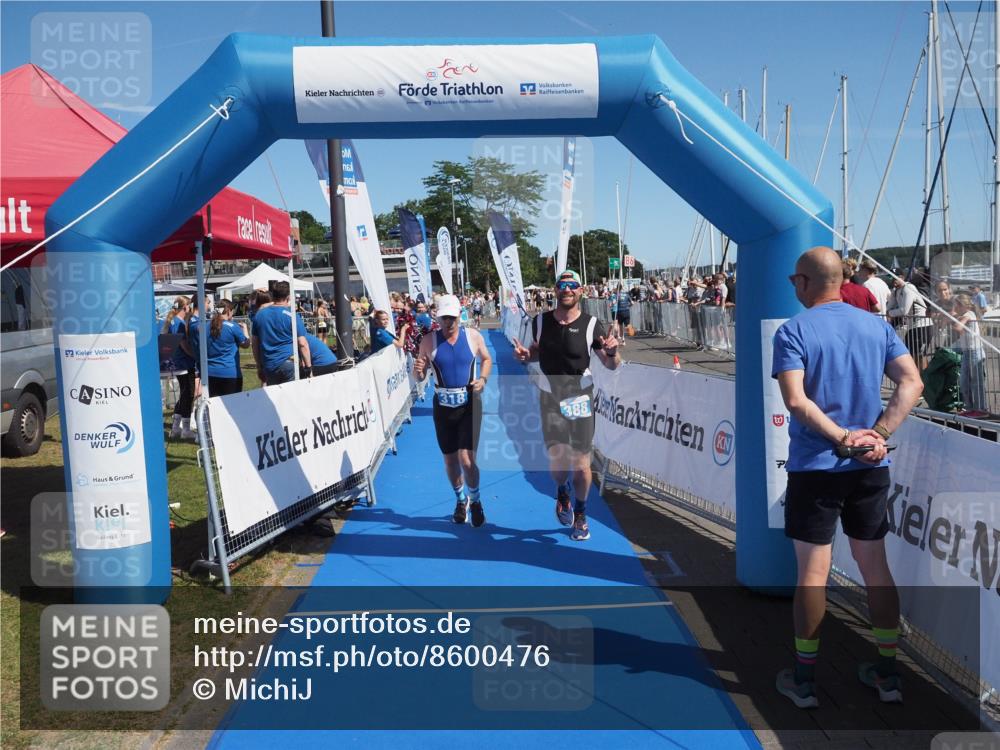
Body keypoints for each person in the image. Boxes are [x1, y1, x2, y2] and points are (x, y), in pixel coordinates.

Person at [773, 247, 923, 709]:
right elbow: (912, 383)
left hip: (819, 467)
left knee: (813, 575)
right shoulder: (876, 325)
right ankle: (888, 673)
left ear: (804, 282)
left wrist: (843, 438)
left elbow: (796, 402)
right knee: (875, 568)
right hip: (869, 466)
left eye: (794, 281)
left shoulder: (793, 330)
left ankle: (804, 680)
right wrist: (875, 434)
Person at [512, 270, 621, 541]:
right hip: (550, 396)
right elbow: (536, 349)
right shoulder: (540, 322)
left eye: (573, 286)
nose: (568, 290)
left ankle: (582, 514)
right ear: (556, 290)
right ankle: (562, 493)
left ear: (580, 291)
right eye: (563, 285)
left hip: (579, 397)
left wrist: (612, 352)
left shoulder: (591, 324)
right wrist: (527, 355)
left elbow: (611, 364)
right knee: (559, 465)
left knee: (581, 463)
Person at [412, 294, 493, 527]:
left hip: (469, 403)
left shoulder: (473, 336)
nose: (447, 323)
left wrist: (483, 379)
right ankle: (461, 500)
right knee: (450, 460)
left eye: (451, 318)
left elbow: (486, 359)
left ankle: (476, 500)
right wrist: (418, 370)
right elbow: (418, 375)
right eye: (443, 318)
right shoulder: (428, 341)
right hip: (443, 406)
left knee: (467, 460)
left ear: (459, 315)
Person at [251, 281, 311, 386]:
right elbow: (302, 343)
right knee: (291, 398)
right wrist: (308, 367)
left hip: (269, 365)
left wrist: (259, 366)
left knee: (274, 399)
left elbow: (255, 344)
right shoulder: (292, 315)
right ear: (288, 297)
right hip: (289, 363)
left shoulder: (259, 315)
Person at [194, 299, 250, 396]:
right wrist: (245, 330)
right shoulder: (232, 326)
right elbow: (246, 344)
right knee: (232, 407)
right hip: (229, 373)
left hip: (210, 373)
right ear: (229, 311)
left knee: (214, 406)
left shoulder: (205, 326)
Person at [163, 296, 197, 439]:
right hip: (184, 363)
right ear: (185, 307)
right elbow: (184, 345)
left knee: (184, 394)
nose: (190, 308)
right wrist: (196, 356)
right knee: (188, 394)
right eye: (189, 306)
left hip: (178, 363)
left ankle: (177, 428)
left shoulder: (173, 321)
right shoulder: (179, 323)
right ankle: (185, 429)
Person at [885, 274, 932, 369]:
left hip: (922, 325)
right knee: (910, 355)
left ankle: (925, 380)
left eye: (895, 277)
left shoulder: (908, 288)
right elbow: (889, 306)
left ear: (902, 277)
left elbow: (904, 310)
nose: (893, 280)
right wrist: (887, 311)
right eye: (890, 278)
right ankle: (921, 378)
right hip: (912, 327)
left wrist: (889, 313)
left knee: (919, 356)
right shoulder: (896, 291)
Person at [953, 294, 988, 416]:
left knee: (976, 382)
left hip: (975, 351)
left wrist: (955, 318)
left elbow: (958, 327)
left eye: (955, 305)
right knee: (964, 381)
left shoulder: (969, 315)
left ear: (960, 305)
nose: (954, 307)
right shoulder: (964, 315)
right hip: (967, 351)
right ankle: (969, 407)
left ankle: (981, 409)